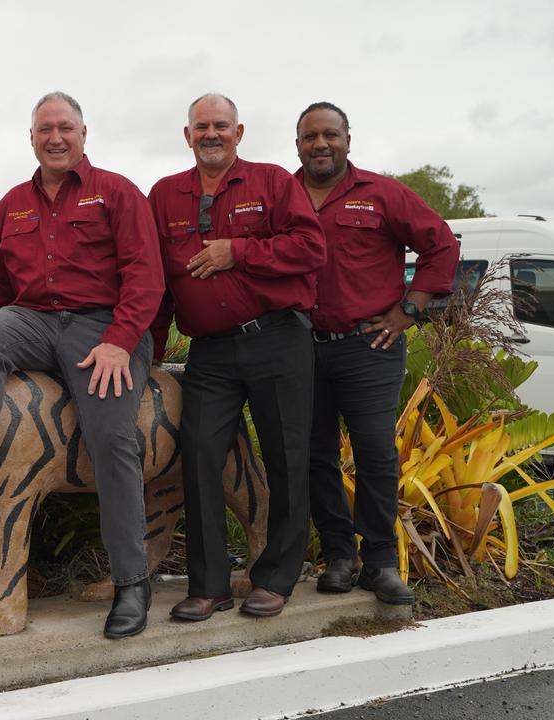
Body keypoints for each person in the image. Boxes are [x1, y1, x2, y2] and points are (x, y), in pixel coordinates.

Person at [0, 91, 165, 640]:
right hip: (33, 319)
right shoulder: (12, 204)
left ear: (84, 134)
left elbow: (146, 279)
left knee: (111, 440)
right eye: (44, 129)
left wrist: (121, 341)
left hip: (102, 326)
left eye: (65, 128)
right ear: (30, 137)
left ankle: (132, 582)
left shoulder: (118, 193)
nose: (55, 137)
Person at [149, 93, 326, 621]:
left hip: (276, 338)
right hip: (211, 350)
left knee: (286, 459)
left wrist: (239, 250)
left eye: (220, 126)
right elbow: (155, 282)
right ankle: (209, 586)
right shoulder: (163, 195)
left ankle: (275, 577)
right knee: (200, 455)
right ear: (187, 135)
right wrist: (151, 357)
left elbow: (310, 247)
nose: (211, 134)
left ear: (238, 132)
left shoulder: (272, 181)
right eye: (201, 126)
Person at [294, 101, 459, 604]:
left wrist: (409, 310)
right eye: (309, 137)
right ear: (296, 144)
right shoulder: (282, 194)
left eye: (330, 135)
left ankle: (381, 561)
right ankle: (340, 557)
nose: (320, 144)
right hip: (301, 348)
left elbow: (442, 245)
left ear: (348, 139)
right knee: (314, 456)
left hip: (369, 347)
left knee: (375, 454)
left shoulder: (382, 194)